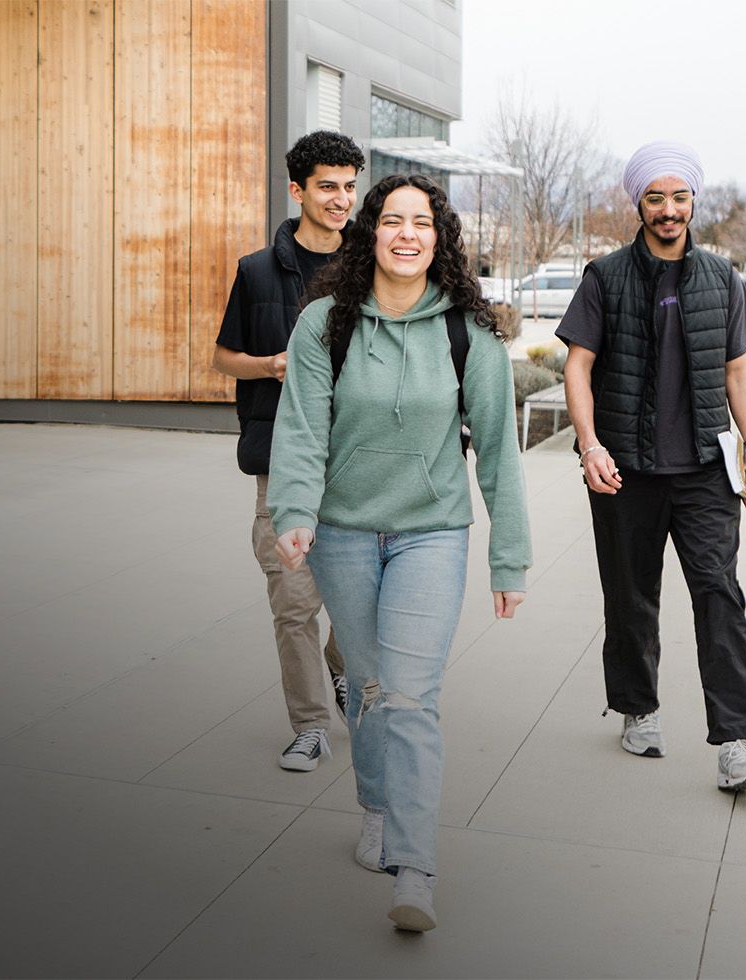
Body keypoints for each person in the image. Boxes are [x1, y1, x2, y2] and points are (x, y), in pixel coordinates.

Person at [268, 173, 529, 933]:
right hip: (344, 534)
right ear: (371, 233)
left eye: (423, 222)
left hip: (431, 532)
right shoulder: (324, 325)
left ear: (439, 238)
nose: (408, 234)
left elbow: (500, 460)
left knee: (411, 696)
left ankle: (414, 868)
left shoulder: (470, 336)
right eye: (393, 221)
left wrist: (507, 559)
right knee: (371, 689)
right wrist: (294, 513)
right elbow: (301, 430)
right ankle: (376, 804)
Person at [554, 141, 746, 792]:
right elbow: (578, 366)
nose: (670, 210)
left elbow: (739, 372)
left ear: (693, 204)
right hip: (625, 467)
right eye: (657, 198)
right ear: (639, 204)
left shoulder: (722, 280)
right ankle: (637, 706)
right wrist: (590, 445)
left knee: (720, 597)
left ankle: (737, 741)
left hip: (706, 469)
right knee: (630, 597)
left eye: (680, 198)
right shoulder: (605, 277)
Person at [213, 131, 364, 772]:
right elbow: (222, 358)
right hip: (282, 459)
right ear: (298, 189)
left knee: (363, 598)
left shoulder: (377, 262)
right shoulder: (256, 272)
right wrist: (268, 364)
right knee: (294, 600)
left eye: (350, 187)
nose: (341, 199)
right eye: (328, 186)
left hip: (360, 459)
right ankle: (308, 725)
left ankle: (338, 667)